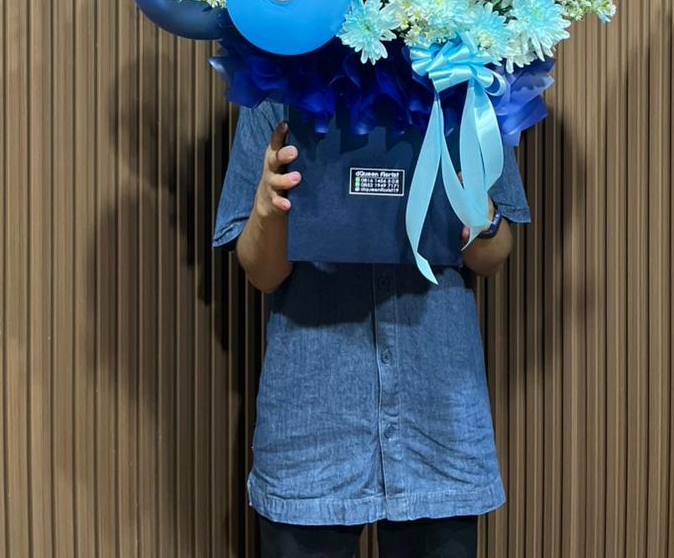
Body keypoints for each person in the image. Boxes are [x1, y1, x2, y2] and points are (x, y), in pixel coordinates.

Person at [212, 100, 531, 558]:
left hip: (437, 423)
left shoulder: (463, 80)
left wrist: (480, 215)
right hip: (313, 424)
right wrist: (267, 208)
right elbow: (263, 274)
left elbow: (492, 258)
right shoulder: (274, 87)